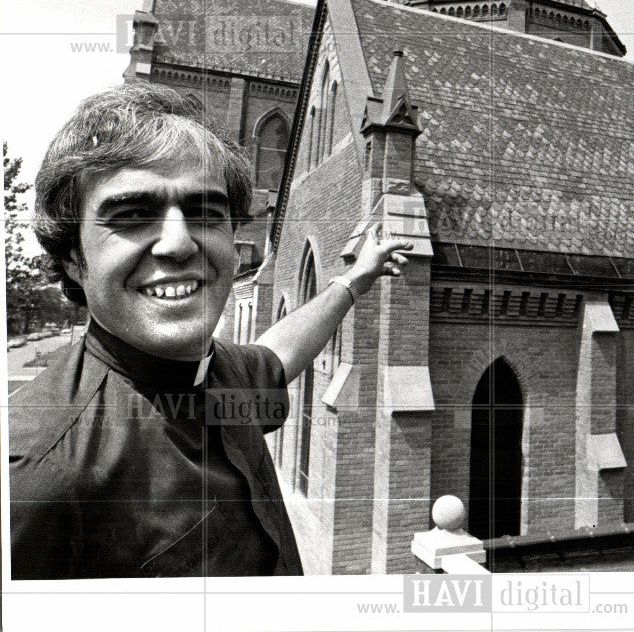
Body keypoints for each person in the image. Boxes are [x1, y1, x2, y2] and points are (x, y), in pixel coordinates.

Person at [8, 84, 412, 579]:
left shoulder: (222, 373)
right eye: (132, 215)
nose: (179, 244)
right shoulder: (32, 472)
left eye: (205, 212)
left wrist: (355, 279)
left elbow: (277, 353)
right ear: (73, 258)